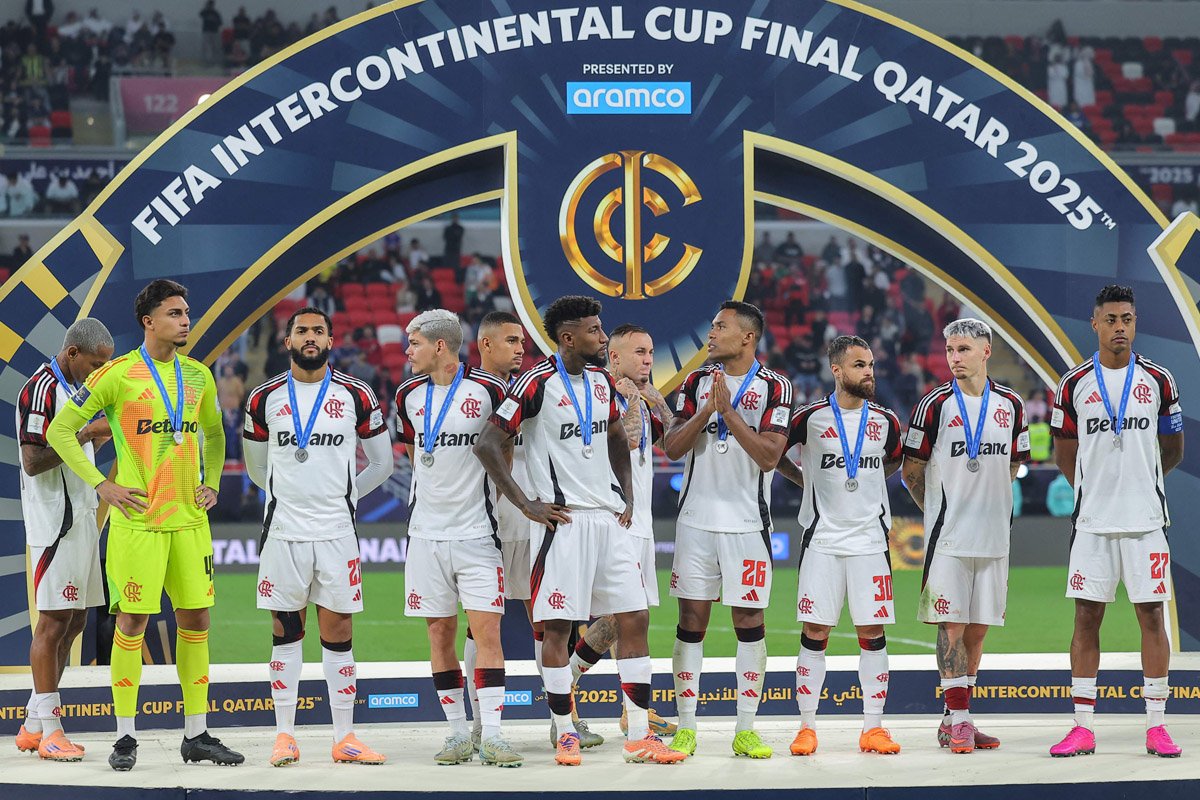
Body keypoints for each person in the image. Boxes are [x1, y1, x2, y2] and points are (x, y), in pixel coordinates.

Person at [475, 295, 684, 766]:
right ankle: (565, 732)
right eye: (593, 330)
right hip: (562, 524)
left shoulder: (603, 383)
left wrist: (626, 493)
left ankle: (637, 732)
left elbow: (614, 435)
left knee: (634, 618)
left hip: (607, 520)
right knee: (558, 629)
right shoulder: (535, 383)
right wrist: (526, 502)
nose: (603, 336)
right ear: (568, 337)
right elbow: (488, 443)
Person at [46, 279, 242, 770]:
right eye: (175, 313)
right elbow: (60, 430)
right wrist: (100, 485)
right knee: (130, 624)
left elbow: (216, 436)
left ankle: (196, 734)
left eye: (187, 311)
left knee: (196, 622)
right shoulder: (117, 375)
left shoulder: (198, 376)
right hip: (137, 524)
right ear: (148, 321)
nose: (185, 319)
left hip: (190, 523)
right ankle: (125, 738)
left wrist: (212, 482)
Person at [242, 307, 393, 766]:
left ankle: (344, 736)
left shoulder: (357, 394)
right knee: (285, 634)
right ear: (287, 341)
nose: (311, 337)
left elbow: (382, 465)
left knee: (340, 632)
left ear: (331, 340)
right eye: (302, 331)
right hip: (284, 533)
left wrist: (344, 499)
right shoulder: (263, 398)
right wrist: (289, 498)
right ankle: (284, 735)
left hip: (336, 534)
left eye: (319, 331)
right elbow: (255, 469)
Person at [1048, 284, 1184, 758]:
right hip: (1092, 523)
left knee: (1151, 616)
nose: (1119, 327)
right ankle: (1082, 726)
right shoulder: (1073, 385)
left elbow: (1172, 449)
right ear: (1095, 323)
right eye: (1111, 319)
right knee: (1086, 617)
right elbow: (1064, 454)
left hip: (1146, 521)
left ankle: (1157, 726)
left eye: (1126, 318)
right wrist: (1097, 488)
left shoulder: (1160, 381)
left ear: (1134, 321)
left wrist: (1137, 483)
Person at [663, 301, 793, 758]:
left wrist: (729, 413)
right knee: (689, 624)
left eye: (720, 327)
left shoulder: (776, 387)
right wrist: (705, 412)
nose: (711, 334)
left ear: (747, 337)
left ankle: (745, 728)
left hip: (746, 524)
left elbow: (769, 456)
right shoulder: (696, 383)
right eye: (712, 325)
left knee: (750, 622)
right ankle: (685, 728)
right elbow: (673, 447)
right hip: (696, 521)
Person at [395, 309, 523, 767]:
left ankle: (493, 735)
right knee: (439, 633)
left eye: (415, 343)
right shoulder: (407, 393)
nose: (408, 352)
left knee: (488, 631)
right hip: (425, 535)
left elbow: (503, 450)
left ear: (441, 347)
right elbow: (415, 455)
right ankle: (455, 734)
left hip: (476, 533)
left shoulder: (490, 391)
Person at [901, 319, 1029, 753]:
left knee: (976, 633)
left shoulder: (1011, 403)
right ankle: (958, 720)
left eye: (963, 350)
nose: (955, 358)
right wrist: (938, 513)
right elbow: (910, 471)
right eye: (950, 350)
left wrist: (992, 504)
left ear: (986, 351)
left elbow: (1014, 463)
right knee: (951, 628)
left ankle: (956, 720)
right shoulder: (934, 405)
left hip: (994, 538)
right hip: (949, 540)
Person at [777, 335, 903, 756]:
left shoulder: (885, 420)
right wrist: (803, 479)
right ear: (837, 370)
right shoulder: (809, 417)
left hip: (870, 542)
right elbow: (775, 454)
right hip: (823, 541)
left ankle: (874, 728)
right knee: (815, 632)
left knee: (872, 632)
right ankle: (807, 727)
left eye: (870, 364)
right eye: (860, 365)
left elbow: (896, 458)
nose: (869, 372)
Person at [568, 323, 678, 740]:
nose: (648, 359)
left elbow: (672, 443)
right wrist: (633, 401)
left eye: (650, 352)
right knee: (631, 618)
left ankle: (620, 704)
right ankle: (580, 686)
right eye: (638, 352)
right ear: (614, 358)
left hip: (643, 522)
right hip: (617, 520)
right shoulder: (604, 394)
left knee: (623, 619)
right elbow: (627, 442)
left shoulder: (644, 397)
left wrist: (657, 402)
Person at [15, 318, 113, 761]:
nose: (97, 372)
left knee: (74, 622)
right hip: (56, 519)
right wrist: (87, 433)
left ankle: (34, 725)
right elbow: (33, 461)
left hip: (81, 515)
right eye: (94, 364)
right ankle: (52, 730)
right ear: (73, 353)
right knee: (53, 622)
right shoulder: (41, 389)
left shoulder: (75, 388)